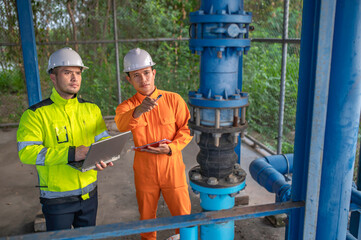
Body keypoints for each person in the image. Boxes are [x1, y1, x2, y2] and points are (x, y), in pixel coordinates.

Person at [17, 47, 113, 231]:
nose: (74, 78)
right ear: (53, 77)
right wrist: (72, 153)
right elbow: (27, 153)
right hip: (56, 198)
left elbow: (102, 139)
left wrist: (105, 154)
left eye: (78, 73)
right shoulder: (35, 115)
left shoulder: (91, 109)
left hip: (89, 194)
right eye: (67, 72)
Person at [114, 48, 193, 240]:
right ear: (129, 79)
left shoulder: (174, 100)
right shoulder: (127, 107)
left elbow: (185, 130)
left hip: (172, 166)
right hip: (145, 170)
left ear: (154, 72)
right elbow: (121, 125)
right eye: (136, 75)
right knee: (147, 219)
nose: (144, 80)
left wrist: (172, 148)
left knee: (184, 217)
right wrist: (138, 111)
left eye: (147, 73)